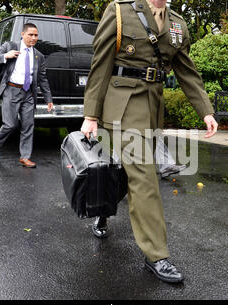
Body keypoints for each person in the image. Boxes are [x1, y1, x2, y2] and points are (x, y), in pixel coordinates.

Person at [81, 0, 218, 283]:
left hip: (152, 107)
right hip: (122, 105)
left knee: (126, 173)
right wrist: (91, 114)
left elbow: (186, 71)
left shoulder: (178, 24)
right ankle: (156, 255)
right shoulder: (120, 11)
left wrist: (206, 112)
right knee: (144, 176)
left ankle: (102, 210)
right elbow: (101, 63)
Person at [0, 23, 54, 168]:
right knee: (10, 124)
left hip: (28, 93)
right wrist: (6, 55)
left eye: (36, 35)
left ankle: (25, 157)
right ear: (23, 34)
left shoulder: (39, 56)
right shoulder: (10, 46)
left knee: (28, 125)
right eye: (30, 34)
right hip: (11, 90)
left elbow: (43, 79)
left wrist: (49, 99)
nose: (34, 38)